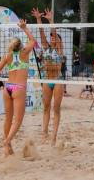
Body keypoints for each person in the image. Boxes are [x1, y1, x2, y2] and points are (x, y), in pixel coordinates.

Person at [0, 19, 35, 156]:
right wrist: (25, 28)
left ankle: (8, 147)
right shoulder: (24, 53)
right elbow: (33, 41)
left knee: (8, 119)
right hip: (18, 88)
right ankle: (7, 141)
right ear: (20, 45)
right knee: (18, 120)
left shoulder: (8, 56)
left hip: (8, 88)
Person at [32, 8, 64, 146]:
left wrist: (51, 21)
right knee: (45, 108)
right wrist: (39, 19)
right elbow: (41, 34)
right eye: (51, 37)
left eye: (54, 37)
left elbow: (53, 32)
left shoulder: (58, 48)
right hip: (46, 80)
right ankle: (44, 132)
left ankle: (54, 137)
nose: (52, 38)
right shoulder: (45, 47)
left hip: (57, 80)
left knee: (56, 109)